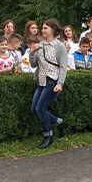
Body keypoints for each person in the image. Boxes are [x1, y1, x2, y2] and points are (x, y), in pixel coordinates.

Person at [29, 19, 69, 149]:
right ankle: (59, 122)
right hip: (41, 81)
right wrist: (33, 52)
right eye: (42, 28)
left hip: (52, 81)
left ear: (53, 29)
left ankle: (48, 135)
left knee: (41, 108)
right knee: (34, 109)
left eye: (45, 28)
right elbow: (33, 64)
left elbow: (63, 67)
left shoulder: (59, 46)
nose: (42, 30)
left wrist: (60, 83)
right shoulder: (40, 45)